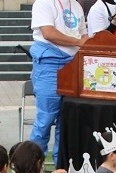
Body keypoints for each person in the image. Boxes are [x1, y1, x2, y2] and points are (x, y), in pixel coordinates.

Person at [29, 0, 88, 162]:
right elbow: (48, 33)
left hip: (73, 65)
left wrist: (85, 41)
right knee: (45, 120)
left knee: (67, 121)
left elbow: (83, 34)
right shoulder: (43, 3)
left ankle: (61, 166)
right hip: (49, 65)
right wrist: (78, 42)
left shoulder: (76, 6)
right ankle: (32, 168)